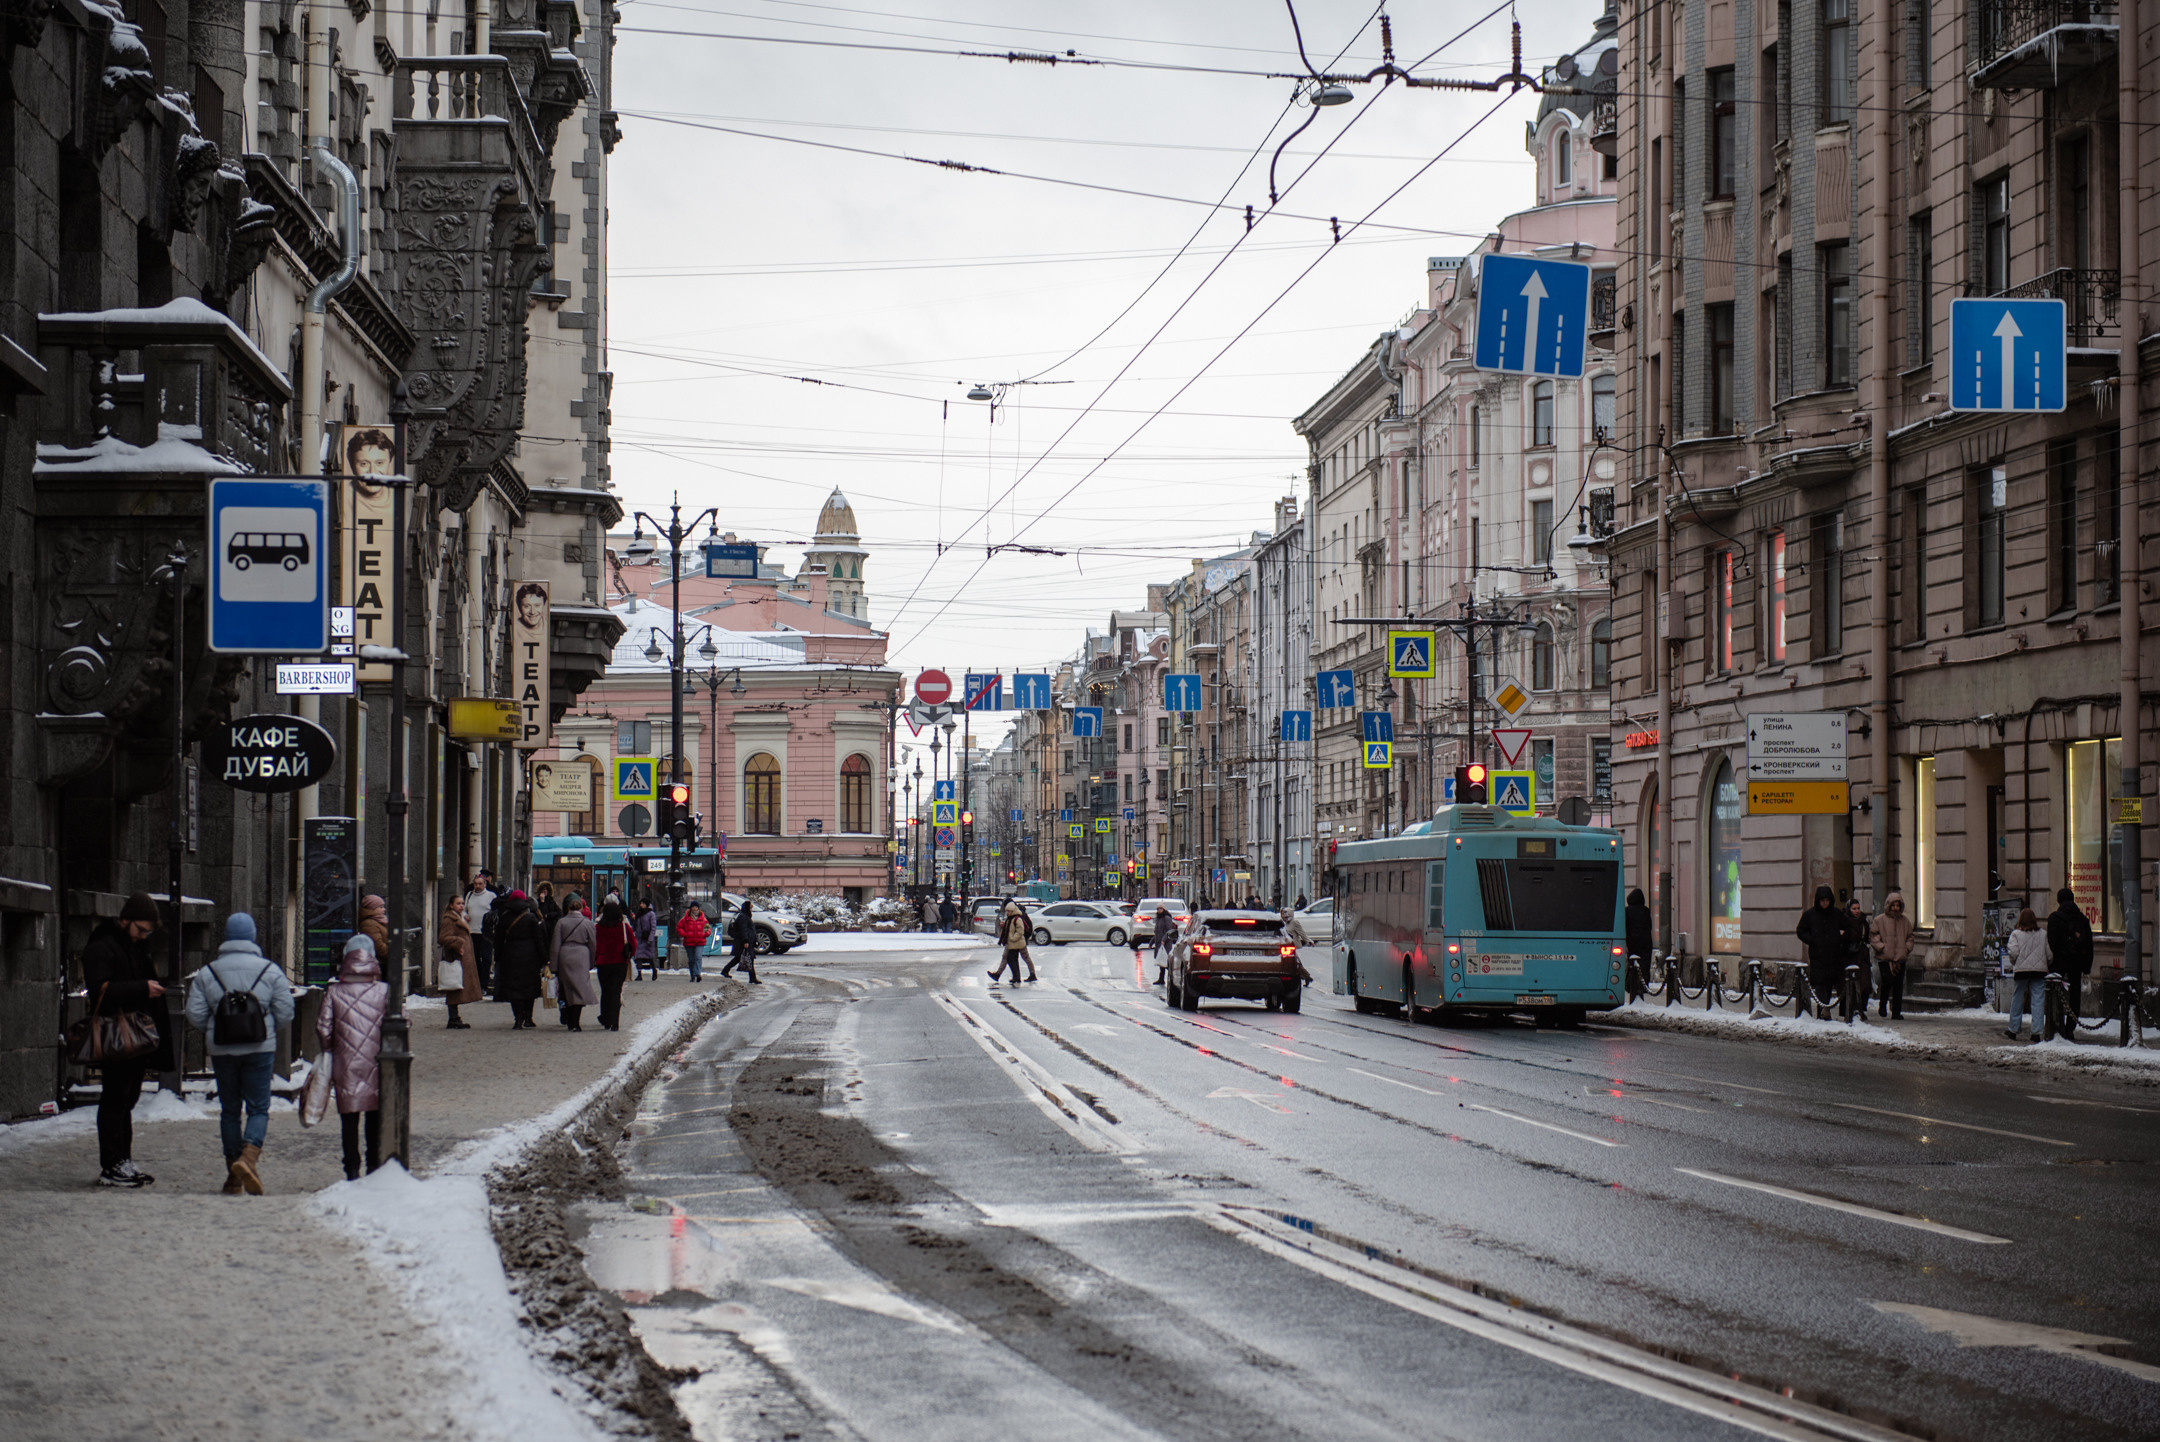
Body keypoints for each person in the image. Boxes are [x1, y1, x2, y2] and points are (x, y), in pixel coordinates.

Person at [184, 912, 295, 1195]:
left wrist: (214, 1030)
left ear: (227, 938)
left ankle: (233, 1177)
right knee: (258, 1107)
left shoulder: (208, 972)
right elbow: (285, 1011)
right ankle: (248, 1158)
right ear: (252, 937)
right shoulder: (269, 970)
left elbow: (194, 1012)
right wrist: (268, 1029)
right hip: (260, 1048)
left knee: (230, 1110)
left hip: (221, 1049)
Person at [80, 892, 174, 1188]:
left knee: (127, 1099)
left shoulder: (136, 947)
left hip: (135, 1036)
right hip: (115, 1036)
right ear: (125, 920)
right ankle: (112, 1163)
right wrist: (143, 988)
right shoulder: (102, 947)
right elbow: (101, 991)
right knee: (115, 1099)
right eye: (141, 929)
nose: (144, 935)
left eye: (148, 931)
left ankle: (123, 1159)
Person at [319, 933, 389, 1180]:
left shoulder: (335, 991)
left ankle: (351, 1166)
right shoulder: (384, 990)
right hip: (377, 1062)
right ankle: (373, 1163)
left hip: (345, 1062)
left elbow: (324, 1028)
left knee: (348, 1118)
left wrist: (331, 1049)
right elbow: (401, 1024)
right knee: (374, 1113)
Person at [492, 889, 546, 1028]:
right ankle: (528, 1017)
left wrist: (498, 957)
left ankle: (518, 1018)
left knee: (514, 988)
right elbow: (539, 940)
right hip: (530, 955)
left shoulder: (504, 917)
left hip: (510, 954)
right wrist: (544, 958)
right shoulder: (531, 918)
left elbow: (498, 940)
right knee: (530, 987)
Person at [2046, 888, 2095, 1038]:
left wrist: (2056, 958)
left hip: (2059, 962)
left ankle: (2056, 1024)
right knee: (2075, 995)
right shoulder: (2082, 919)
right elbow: (2088, 944)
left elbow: (2051, 942)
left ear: (2059, 900)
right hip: (2077, 961)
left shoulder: (2054, 918)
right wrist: (2086, 966)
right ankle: (2070, 1028)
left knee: (2056, 991)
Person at [1795, 886, 1848, 1019]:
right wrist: (1812, 940)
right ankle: (1823, 1009)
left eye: (1827, 900)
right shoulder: (1810, 915)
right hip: (1817, 955)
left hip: (1833, 956)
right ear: (1818, 901)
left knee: (1829, 984)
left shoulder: (1836, 914)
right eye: (1822, 900)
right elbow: (1801, 930)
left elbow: (1847, 928)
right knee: (1819, 984)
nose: (1825, 903)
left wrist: (1840, 938)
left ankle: (1825, 1008)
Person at [550, 893, 599, 1031]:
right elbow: (593, 944)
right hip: (582, 955)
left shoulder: (561, 922)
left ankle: (569, 1018)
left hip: (565, 956)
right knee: (580, 989)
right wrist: (591, 962)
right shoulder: (587, 923)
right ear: (581, 908)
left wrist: (554, 965)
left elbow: (555, 945)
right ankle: (576, 1022)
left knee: (567, 988)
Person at [2004, 906, 2052, 1042]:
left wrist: (2016, 962)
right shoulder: (2043, 934)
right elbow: (2049, 954)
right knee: (2038, 1000)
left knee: (2017, 998)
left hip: (2021, 971)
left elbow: (2013, 952)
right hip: (2039, 971)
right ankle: (2036, 1032)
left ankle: (2013, 1029)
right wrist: (2047, 963)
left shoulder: (2015, 934)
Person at [1868, 892, 1914, 1021]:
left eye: (1897, 905)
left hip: (1900, 957)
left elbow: (1910, 937)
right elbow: (1873, 936)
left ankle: (1896, 1012)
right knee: (1887, 981)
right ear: (1888, 906)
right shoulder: (1880, 920)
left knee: (1898, 985)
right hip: (1885, 958)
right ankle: (1883, 1004)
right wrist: (1882, 947)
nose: (1895, 908)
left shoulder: (1905, 921)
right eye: (1893, 905)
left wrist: (1906, 949)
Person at [593, 899, 635, 1032]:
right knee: (616, 992)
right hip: (619, 962)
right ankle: (614, 1023)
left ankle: (605, 1019)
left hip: (603, 963)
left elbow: (596, 946)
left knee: (605, 992)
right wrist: (629, 956)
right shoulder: (623, 926)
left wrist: (596, 958)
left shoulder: (598, 928)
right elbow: (633, 943)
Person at [439, 893, 480, 1028]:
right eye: (458, 903)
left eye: (462, 903)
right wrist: (459, 942)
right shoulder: (449, 919)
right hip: (455, 958)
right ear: (451, 905)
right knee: (454, 986)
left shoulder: (459, 917)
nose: (461, 906)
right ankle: (453, 1018)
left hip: (461, 958)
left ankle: (455, 1017)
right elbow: (443, 938)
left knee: (456, 987)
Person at [465, 873, 497, 992]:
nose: (477, 886)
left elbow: (495, 912)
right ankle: (477, 984)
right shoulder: (469, 895)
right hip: (472, 931)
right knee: (475, 958)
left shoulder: (491, 896)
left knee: (486, 958)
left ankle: (484, 984)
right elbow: (464, 910)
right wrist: (465, 915)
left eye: (480, 884)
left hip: (486, 932)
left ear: (485, 884)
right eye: (475, 884)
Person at [990, 901, 1034, 984]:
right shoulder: (1011, 918)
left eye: (1008, 911)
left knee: (1012, 958)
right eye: (1006, 911)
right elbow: (1009, 930)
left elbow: (1020, 931)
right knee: (1007, 958)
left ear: (1012, 910)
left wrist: (1013, 938)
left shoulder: (1017, 918)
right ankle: (1000, 975)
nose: (1007, 913)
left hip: (1016, 943)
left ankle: (1019, 976)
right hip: (1011, 943)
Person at [1842, 898, 1873, 1014]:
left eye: (1858, 908)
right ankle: (1851, 1008)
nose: (1857, 911)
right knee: (1850, 984)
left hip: (1862, 955)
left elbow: (1866, 937)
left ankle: (1861, 1008)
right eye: (1854, 909)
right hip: (1849, 956)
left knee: (1864, 984)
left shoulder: (1863, 922)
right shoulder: (1845, 921)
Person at [1624, 887, 1654, 1001]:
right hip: (1645, 941)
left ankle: (1631, 985)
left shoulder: (1627, 911)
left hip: (1632, 941)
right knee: (1644, 964)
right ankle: (1644, 984)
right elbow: (1649, 926)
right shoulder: (1646, 910)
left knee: (1632, 963)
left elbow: (1626, 926)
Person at [721, 896, 760, 983]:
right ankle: (752, 978)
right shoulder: (743, 917)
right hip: (742, 941)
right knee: (745, 958)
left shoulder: (745, 916)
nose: (751, 909)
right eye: (750, 908)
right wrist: (745, 940)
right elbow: (743, 929)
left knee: (744, 958)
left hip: (744, 941)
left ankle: (726, 970)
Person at [675, 903, 710, 983]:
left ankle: (698, 974)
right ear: (690, 908)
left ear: (698, 908)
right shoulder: (685, 919)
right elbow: (679, 927)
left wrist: (705, 934)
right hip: (689, 942)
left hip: (700, 942)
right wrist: (685, 934)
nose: (695, 908)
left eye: (696, 907)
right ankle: (693, 975)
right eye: (693, 907)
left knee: (698, 957)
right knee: (691, 959)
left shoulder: (703, 918)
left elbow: (707, 928)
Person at [633, 899, 660, 981]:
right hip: (639, 938)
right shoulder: (638, 914)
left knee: (650, 957)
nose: (641, 905)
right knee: (638, 957)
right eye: (640, 903)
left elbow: (653, 927)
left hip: (647, 939)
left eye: (643, 903)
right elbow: (635, 926)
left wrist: (650, 938)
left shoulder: (651, 914)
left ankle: (654, 970)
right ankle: (639, 974)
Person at [1151, 906, 1176, 983]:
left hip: (1166, 943)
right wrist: (1151, 942)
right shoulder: (1158, 918)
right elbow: (1157, 932)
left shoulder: (1167, 918)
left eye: (1160, 909)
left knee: (1166, 961)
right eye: (1157, 909)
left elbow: (1169, 931)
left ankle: (1173, 978)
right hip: (1159, 943)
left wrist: (1164, 939)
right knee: (1161, 961)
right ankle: (1161, 979)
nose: (1159, 910)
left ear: (1164, 909)